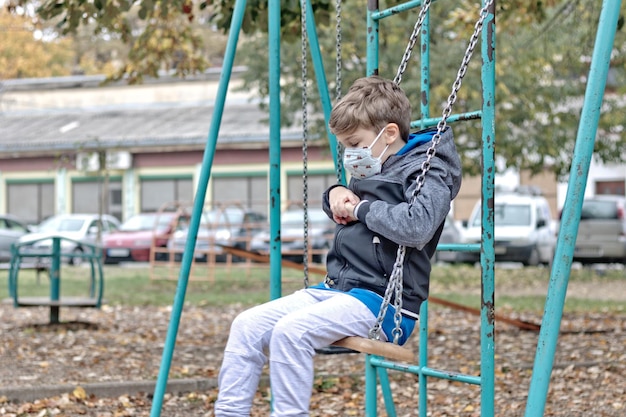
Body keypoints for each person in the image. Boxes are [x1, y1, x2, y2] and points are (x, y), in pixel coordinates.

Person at [214, 75, 462, 417]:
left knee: (291, 332)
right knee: (247, 324)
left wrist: (359, 207)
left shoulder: (428, 170)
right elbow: (355, 211)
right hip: (339, 288)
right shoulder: (376, 161)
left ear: (389, 133)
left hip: (385, 303)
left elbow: (416, 226)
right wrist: (334, 195)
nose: (351, 152)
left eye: (355, 142)